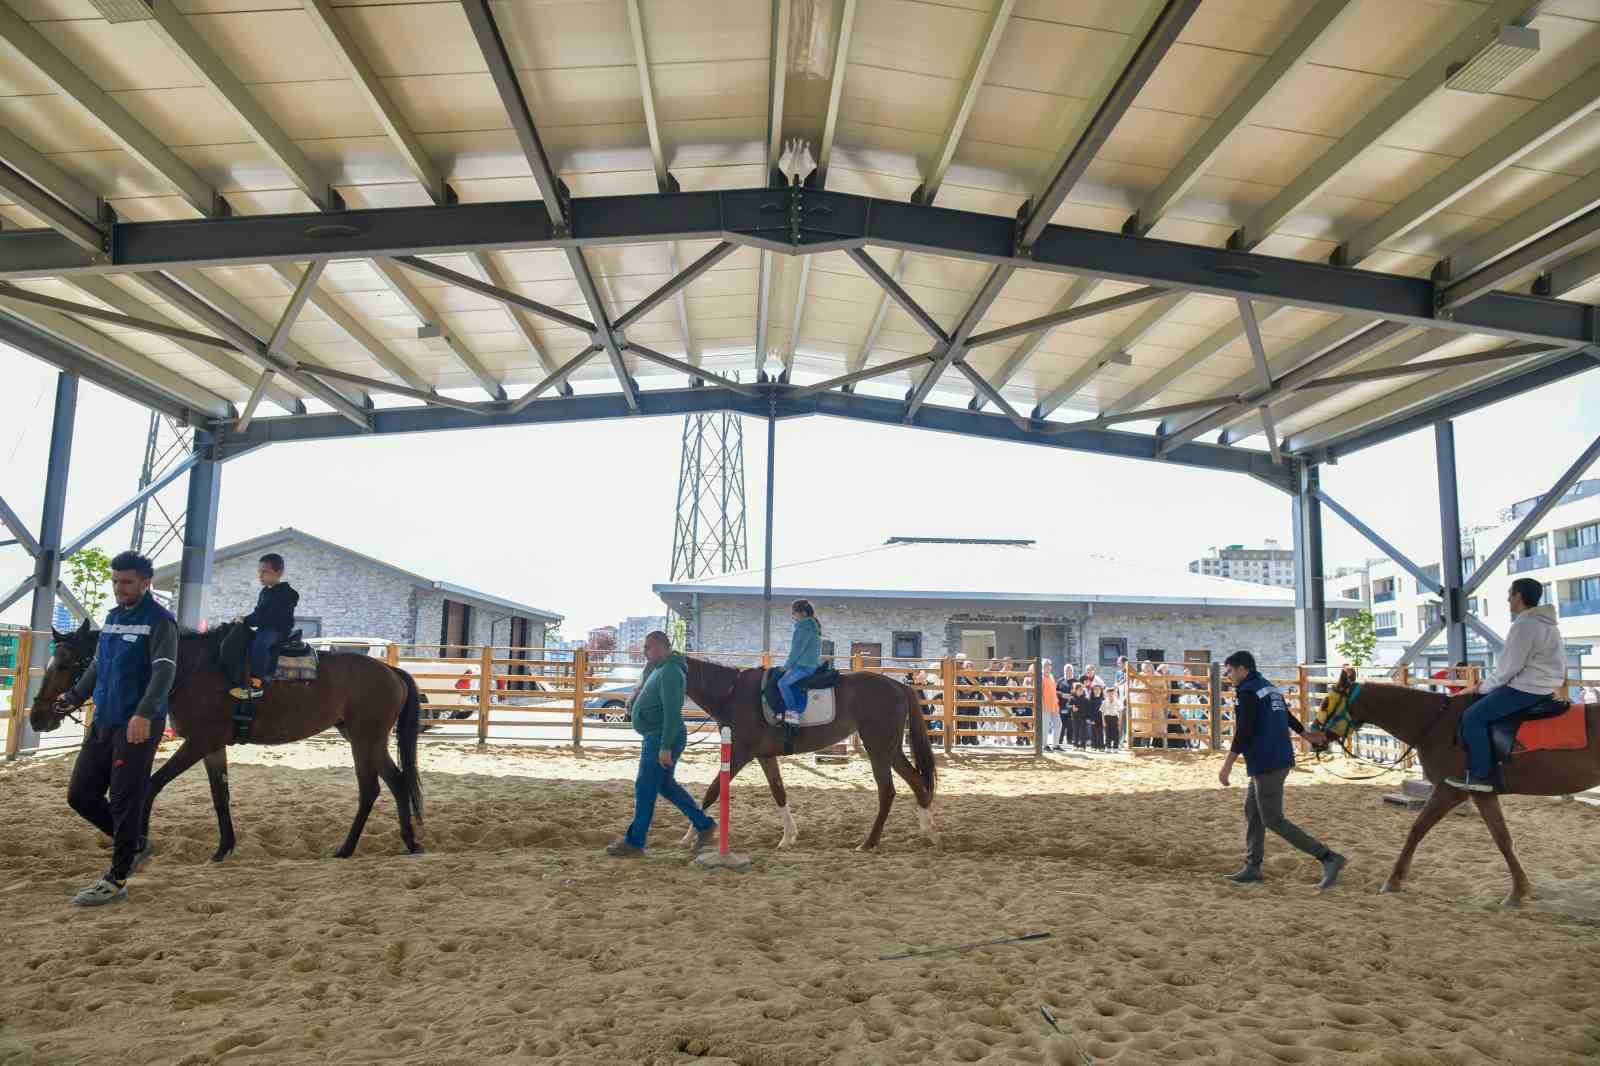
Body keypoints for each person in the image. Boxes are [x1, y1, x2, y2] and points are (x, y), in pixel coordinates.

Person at [52, 551, 176, 907]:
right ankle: (135, 842)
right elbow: (98, 665)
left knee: (125, 800)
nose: (119, 588)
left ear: (145, 583)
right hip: (104, 720)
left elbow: (164, 671)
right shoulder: (112, 617)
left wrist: (144, 714)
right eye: (116, 581)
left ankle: (117, 879)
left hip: (136, 724)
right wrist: (74, 697)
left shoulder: (160, 621)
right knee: (80, 795)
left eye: (127, 582)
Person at [1218, 650, 1346, 890]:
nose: (1228, 675)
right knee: (1253, 812)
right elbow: (1286, 715)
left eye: (1230, 670)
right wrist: (1305, 734)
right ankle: (1253, 867)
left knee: (1273, 819)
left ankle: (1328, 857)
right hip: (1276, 757)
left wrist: (1227, 765)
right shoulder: (1268, 687)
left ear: (1243, 669)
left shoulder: (1247, 691)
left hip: (1267, 760)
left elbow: (1244, 730)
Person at [1446, 578, 1567, 793]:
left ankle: (1481, 775)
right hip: (1545, 687)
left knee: (1472, 717)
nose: (1508, 599)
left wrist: (1480, 687)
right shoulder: (1548, 624)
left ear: (1519, 595)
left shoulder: (1525, 624)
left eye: (1510, 594)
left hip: (1526, 688)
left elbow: (1508, 668)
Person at [606, 631, 716, 856]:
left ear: (664, 647)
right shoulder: (660, 668)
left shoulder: (671, 672)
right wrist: (638, 689)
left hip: (661, 737)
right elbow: (647, 685)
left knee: (645, 787)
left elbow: (672, 712)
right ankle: (704, 825)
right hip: (657, 735)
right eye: (644, 647)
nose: (645, 651)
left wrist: (665, 747)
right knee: (665, 785)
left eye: (649, 647)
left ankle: (635, 842)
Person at [229, 553, 299, 700]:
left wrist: (245, 620)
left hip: (277, 630)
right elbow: (258, 613)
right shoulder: (265, 591)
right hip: (265, 628)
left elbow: (266, 617)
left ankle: (256, 684)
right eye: (259, 572)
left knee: (261, 643)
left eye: (265, 572)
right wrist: (242, 620)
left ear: (279, 572)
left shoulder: (286, 593)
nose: (260, 576)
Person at [776, 598, 822, 726]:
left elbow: (797, 649)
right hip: (810, 664)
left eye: (794, 613)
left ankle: (792, 714)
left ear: (803, 613)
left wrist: (786, 666)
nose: (792, 616)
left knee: (782, 683)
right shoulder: (812, 625)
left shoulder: (804, 626)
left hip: (804, 666)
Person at [1040, 658, 1062, 752]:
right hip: (1045, 705)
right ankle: (1044, 745)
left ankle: (1056, 745)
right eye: (1046, 665)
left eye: (1049, 665)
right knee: (1045, 726)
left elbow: (1053, 691)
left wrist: (1057, 702)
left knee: (1058, 724)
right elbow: (1039, 693)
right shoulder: (1040, 677)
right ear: (1042, 666)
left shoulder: (1051, 676)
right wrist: (1042, 704)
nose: (1048, 667)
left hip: (1054, 705)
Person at [1102, 680, 1123, 750]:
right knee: (1107, 733)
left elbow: (1120, 711)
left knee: (1115, 733)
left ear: (1114, 694)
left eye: (1112, 694)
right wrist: (1103, 721)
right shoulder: (1104, 702)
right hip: (1107, 718)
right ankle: (1108, 747)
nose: (1111, 695)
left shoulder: (1117, 702)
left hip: (1114, 718)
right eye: (1109, 694)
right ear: (1107, 694)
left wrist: (1119, 720)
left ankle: (1115, 747)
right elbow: (1102, 712)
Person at [1088, 683, 1106, 750]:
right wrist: (1091, 719)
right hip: (1094, 718)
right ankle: (1094, 746)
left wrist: (1104, 719)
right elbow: (1090, 710)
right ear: (1092, 691)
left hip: (1101, 718)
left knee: (1101, 732)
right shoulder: (1091, 700)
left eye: (1098, 689)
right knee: (1094, 732)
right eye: (1095, 689)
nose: (1097, 691)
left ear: (1101, 691)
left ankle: (1101, 746)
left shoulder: (1103, 700)